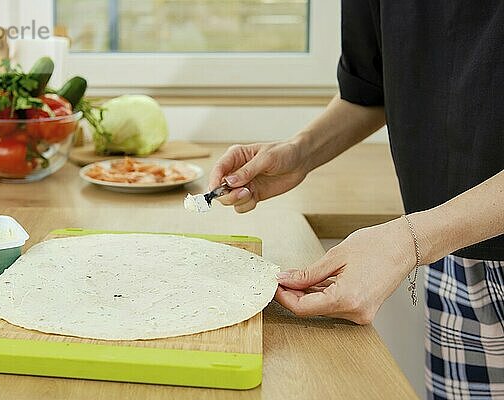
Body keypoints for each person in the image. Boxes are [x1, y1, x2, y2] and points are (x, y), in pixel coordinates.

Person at [209, 2, 504, 399]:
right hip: (451, 255)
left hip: (429, 236)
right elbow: (371, 87)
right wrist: (302, 151)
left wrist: (410, 240)